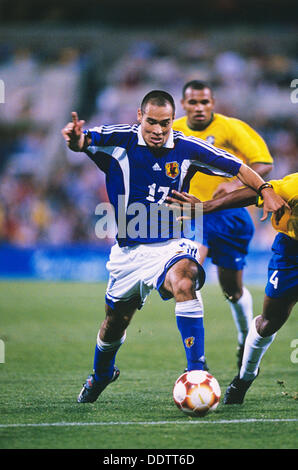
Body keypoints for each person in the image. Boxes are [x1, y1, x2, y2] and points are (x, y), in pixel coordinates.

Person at [61, 90, 286, 404]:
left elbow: (237, 167)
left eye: (164, 124)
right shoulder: (120, 140)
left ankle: (197, 372)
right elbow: (83, 141)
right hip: (129, 253)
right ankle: (101, 375)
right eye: (151, 122)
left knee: (185, 278)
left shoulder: (186, 147)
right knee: (115, 322)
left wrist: (264, 188)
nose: (158, 130)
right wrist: (74, 139)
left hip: (173, 243)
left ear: (171, 120)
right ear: (140, 116)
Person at [165, 172, 296, 404]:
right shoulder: (293, 187)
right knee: (268, 323)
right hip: (292, 254)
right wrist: (205, 207)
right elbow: (258, 192)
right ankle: (245, 377)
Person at [173, 80, 274, 370]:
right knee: (188, 275)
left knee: (232, 290)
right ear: (184, 104)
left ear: (213, 103)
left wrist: (230, 186)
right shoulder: (174, 128)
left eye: (204, 102)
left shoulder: (231, 128)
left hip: (229, 216)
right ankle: (196, 363)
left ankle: (245, 337)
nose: (199, 107)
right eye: (193, 102)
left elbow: (264, 164)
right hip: (192, 214)